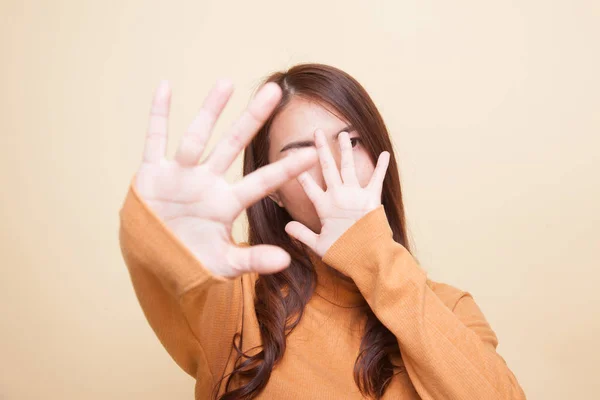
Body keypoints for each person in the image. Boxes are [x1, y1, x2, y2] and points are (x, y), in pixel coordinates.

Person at [118, 63, 526, 399]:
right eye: (302, 154)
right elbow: (173, 276)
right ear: (273, 191)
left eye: (351, 142)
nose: (333, 165)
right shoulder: (237, 298)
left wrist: (372, 255)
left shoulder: (449, 308)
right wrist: (164, 236)